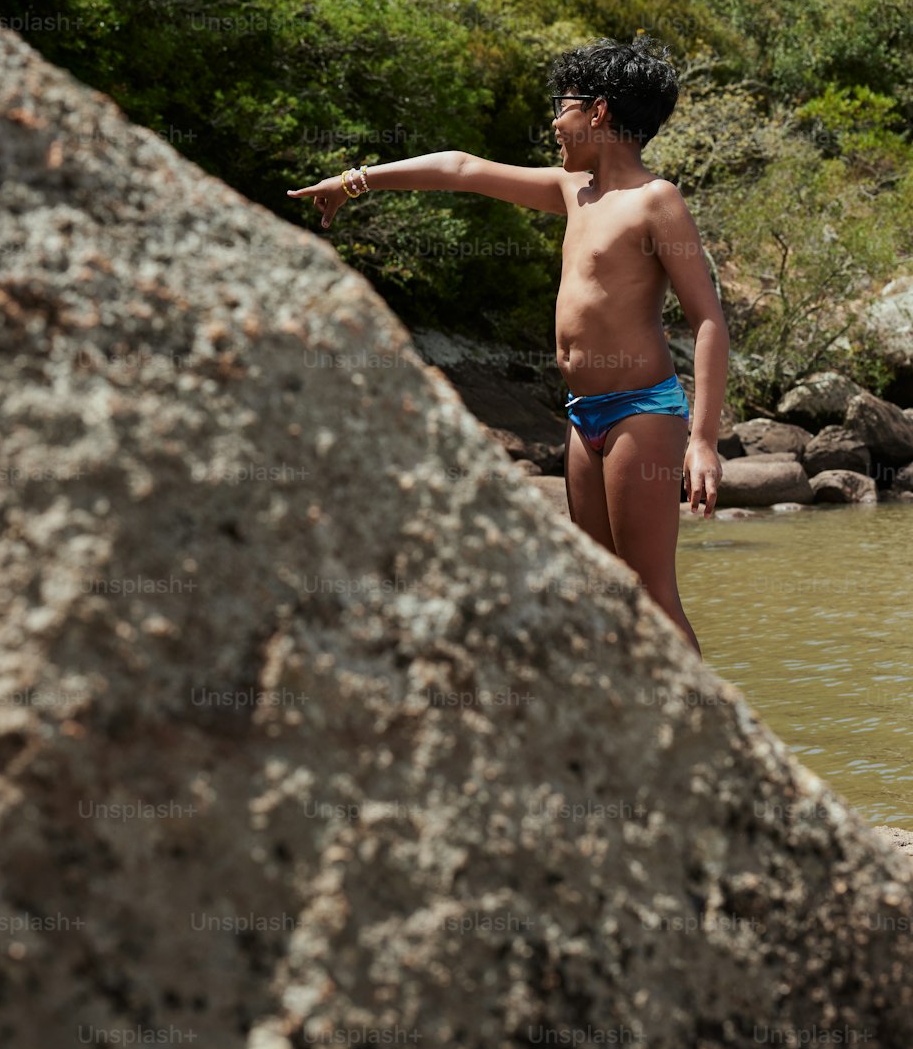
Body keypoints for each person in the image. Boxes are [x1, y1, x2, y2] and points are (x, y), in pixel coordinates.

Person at [287, 36, 728, 654]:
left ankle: (705, 736)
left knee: (651, 594)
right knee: (604, 591)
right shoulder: (573, 192)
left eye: (563, 105)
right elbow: (463, 169)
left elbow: (708, 320)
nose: (555, 121)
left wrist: (703, 441)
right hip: (584, 417)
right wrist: (356, 181)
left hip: (642, 412)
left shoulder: (655, 200)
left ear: (598, 112)